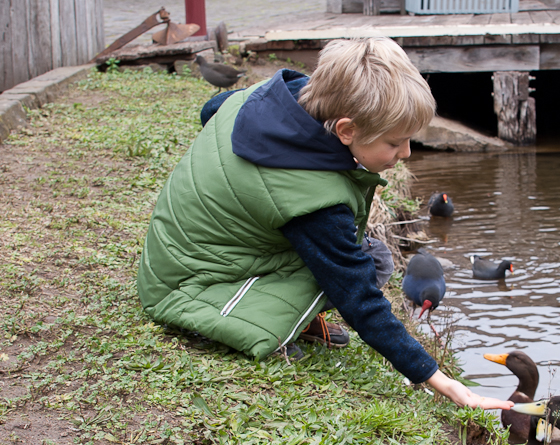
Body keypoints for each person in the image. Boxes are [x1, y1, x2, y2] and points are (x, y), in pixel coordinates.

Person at [136, 37, 512, 412]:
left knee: (374, 252)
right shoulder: (315, 201)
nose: (406, 153)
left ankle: (300, 315)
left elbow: (210, 110)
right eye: (395, 143)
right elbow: (359, 297)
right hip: (189, 282)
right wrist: (440, 380)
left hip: (182, 247)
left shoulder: (278, 98)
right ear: (346, 131)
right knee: (365, 266)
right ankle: (276, 326)